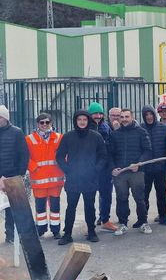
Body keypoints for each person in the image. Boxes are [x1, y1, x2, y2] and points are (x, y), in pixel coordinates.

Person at [56, 111, 107, 245]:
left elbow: (103, 156)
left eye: (85, 119)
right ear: (75, 121)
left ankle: (91, 231)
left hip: (90, 178)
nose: (82, 122)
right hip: (73, 178)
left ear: (88, 121)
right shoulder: (68, 136)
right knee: (71, 207)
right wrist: (67, 169)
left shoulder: (96, 136)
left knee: (90, 206)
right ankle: (67, 234)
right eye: (80, 119)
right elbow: (59, 156)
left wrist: (96, 169)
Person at [109, 109, 153, 236]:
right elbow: (110, 154)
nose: (124, 119)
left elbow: (148, 151)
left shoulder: (141, 132)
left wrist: (139, 164)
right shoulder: (115, 134)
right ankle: (123, 224)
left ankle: (143, 222)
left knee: (140, 198)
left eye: (127, 116)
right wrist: (113, 168)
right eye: (122, 117)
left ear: (132, 117)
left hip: (136, 172)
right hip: (120, 173)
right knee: (121, 198)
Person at [25, 113, 65, 239]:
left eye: (47, 122)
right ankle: (41, 229)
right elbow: (24, 157)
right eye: (42, 122)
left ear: (51, 123)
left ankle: (55, 230)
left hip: (55, 180)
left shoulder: (59, 138)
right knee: (40, 207)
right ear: (37, 124)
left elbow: (65, 155)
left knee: (55, 207)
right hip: (39, 180)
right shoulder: (29, 139)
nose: (44, 125)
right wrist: (33, 167)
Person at [0, 105, 29, 244]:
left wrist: (20, 174)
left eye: (0, 117)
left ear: (5, 118)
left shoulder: (17, 132)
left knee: (12, 208)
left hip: (12, 175)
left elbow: (23, 154)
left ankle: (10, 235)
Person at [141, 105, 166, 226]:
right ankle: (143, 218)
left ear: (154, 115)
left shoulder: (163, 128)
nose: (149, 117)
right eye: (146, 115)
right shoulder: (141, 128)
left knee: (161, 193)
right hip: (146, 168)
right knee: (144, 195)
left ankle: (163, 216)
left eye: (150, 114)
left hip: (160, 168)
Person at [88, 102, 118, 232]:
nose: (98, 116)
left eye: (100, 113)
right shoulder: (85, 128)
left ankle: (105, 219)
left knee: (106, 195)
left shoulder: (106, 128)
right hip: (90, 168)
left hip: (105, 168)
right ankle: (90, 224)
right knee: (89, 196)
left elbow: (112, 147)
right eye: (95, 113)